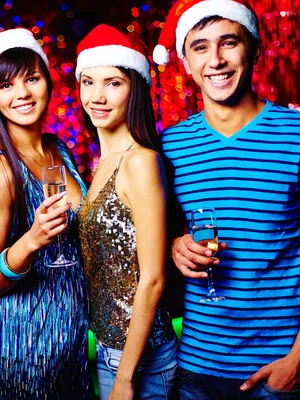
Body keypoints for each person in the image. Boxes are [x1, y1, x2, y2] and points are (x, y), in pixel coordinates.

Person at [153, 0, 300, 399]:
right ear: (185, 62)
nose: (216, 60)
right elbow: (160, 239)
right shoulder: (169, 145)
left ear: (253, 49)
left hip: (278, 368)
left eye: (228, 43)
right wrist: (174, 247)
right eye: (200, 47)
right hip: (195, 368)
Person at [0, 28, 91, 398]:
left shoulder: (58, 149)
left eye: (32, 79)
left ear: (48, 83)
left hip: (68, 350)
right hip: (17, 350)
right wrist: (32, 240)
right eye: (5, 86)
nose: (22, 93)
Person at [75, 24, 178, 400]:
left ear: (135, 88)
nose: (97, 96)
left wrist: (126, 377)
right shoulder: (102, 162)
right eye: (88, 82)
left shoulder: (141, 162)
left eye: (113, 83)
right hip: (106, 349)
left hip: (138, 359)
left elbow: (152, 278)